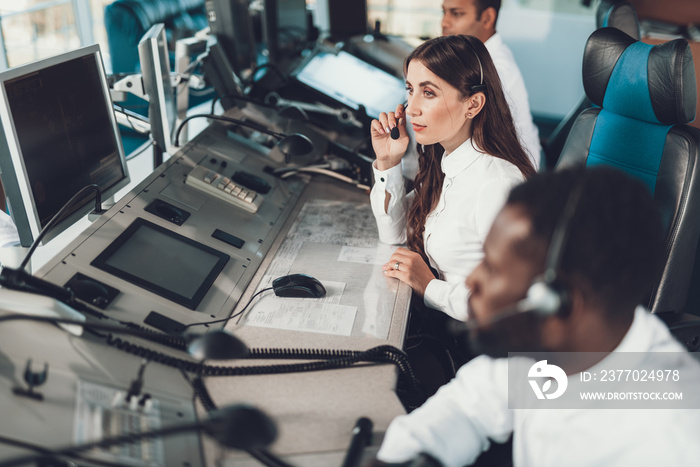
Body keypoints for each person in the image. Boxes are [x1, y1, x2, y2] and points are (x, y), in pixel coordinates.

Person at [367, 166, 700, 467]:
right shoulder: (551, 350)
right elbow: (468, 407)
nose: (472, 280)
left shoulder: (671, 439)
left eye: (493, 268)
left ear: (558, 303)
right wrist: (410, 456)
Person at [370, 35, 535, 324]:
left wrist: (429, 286)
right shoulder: (445, 160)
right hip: (446, 325)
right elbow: (394, 235)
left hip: (475, 345)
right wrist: (387, 162)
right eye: (410, 90)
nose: (411, 108)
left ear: (473, 105)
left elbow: (513, 303)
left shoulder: (497, 184)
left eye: (429, 93)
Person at [441, 0, 542, 170]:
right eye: (443, 12)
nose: (444, 22)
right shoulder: (475, 58)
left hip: (510, 173)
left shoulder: (495, 70)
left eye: (457, 13)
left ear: (487, 18)